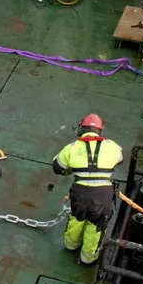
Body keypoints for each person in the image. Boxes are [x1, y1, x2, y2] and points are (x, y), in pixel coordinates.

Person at [52, 114, 123, 266]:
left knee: (77, 219)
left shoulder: (71, 148)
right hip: (103, 195)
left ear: (80, 129)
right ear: (100, 132)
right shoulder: (112, 146)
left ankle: (70, 246)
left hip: (80, 193)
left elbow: (57, 167)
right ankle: (87, 258)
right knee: (96, 227)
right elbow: (119, 160)